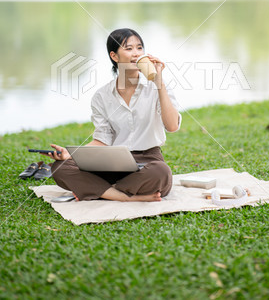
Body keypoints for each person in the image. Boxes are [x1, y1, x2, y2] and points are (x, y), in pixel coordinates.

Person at [47, 28, 182, 202]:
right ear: (114, 56)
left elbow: (172, 126)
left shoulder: (157, 88)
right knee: (60, 167)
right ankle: (124, 196)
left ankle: (99, 190)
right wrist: (71, 155)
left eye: (140, 48)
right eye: (129, 48)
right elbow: (102, 141)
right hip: (112, 161)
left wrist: (159, 83)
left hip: (148, 160)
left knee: (161, 173)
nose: (136, 53)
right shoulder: (102, 96)